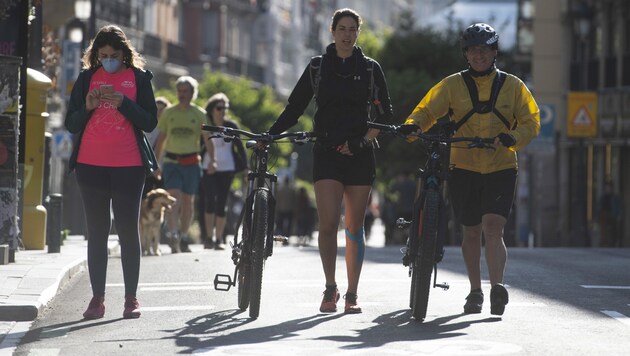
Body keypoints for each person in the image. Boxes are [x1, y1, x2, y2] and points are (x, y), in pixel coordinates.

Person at [402, 23, 540, 316]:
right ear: (466, 54)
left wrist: (512, 138)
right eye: (473, 50)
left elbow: (531, 121)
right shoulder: (452, 85)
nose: (479, 55)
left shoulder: (514, 86)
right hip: (462, 165)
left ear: (494, 52)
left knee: (493, 227)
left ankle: (496, 287)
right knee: (471, 231)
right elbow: (427, 110)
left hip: (501, 165)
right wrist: (413, 127)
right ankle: (475, 290)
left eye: (484, 49)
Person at [266, 8, 393, 314]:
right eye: (342, 29)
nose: (347, 34)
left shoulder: (370, 68)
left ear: (357, 33)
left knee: (353, 227)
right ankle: (330, 288)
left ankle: (352, 293)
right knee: (327, 225)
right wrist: (269, 134)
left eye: (352, 29)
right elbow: (295, 107)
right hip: (326, 152)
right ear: (332, 32)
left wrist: (362, 142)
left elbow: (386, 115)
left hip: (360, 155)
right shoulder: (317, 68)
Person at [64, 25, 158, 320]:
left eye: (114, 55)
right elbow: (71, 123)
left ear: (124, 54)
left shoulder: (139, 79)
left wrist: (124, 103)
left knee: (128, 230)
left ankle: (131, 298)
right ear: (96, 56)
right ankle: (97, 299)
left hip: (129, 167)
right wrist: (89, 106)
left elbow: (150, 121)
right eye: (103, 56)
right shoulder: (86, 79)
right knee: (97, 232)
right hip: (90, 166)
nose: (109, 60)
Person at [154, 76, 211, 253]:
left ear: (193, 93)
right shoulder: (169, 113)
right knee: (173, 198)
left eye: (186, 91)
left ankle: (184, 234)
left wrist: (213, 160)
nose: (182, 94)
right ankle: (172, 233)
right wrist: (156, 164)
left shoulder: (199, 114)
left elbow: (207, 140)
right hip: (172, 162)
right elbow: (161, 140)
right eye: (179, 91)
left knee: (188, 201)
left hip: (192, 162)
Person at [200, 92, 247, 250]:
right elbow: (199, 146)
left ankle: (219, 238)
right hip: (209, 167)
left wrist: (246, 168)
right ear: (212, 109)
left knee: (222, 203)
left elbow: (240, 148)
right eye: (219, 107)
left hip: (227, 169)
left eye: (225, 107)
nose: (223, 111)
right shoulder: (206, 125)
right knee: (209, 201)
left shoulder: (231, 126)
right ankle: (208, 237)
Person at [142, 96, 171, 197]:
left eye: (162, 109)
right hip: (149, 167)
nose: (159, 112)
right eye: (157, 109)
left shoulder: (170, 127)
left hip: (165, 166)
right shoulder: (148, 126)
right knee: (145, 196)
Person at [597, 181, 623, 247]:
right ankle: (604, 242)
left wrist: (618, 215)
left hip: (612, 214)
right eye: (607, 187)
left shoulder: (614, 197)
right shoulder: (603, 197)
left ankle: (612, 242)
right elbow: (599, 207)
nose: (608, 189)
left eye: (609, 187)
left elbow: (618, 207)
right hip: (604, 214)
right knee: (604, 229)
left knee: (613, 229)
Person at [275, 175, 297, 244]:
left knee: (280, 225)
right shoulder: (292, 189)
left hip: (281, 209)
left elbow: (277, 200)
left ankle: (281, 238)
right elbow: (294, 200)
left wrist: (277, 208)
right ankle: (286, 238)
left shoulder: (280, 189)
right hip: (289, 209)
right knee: (289, 225)